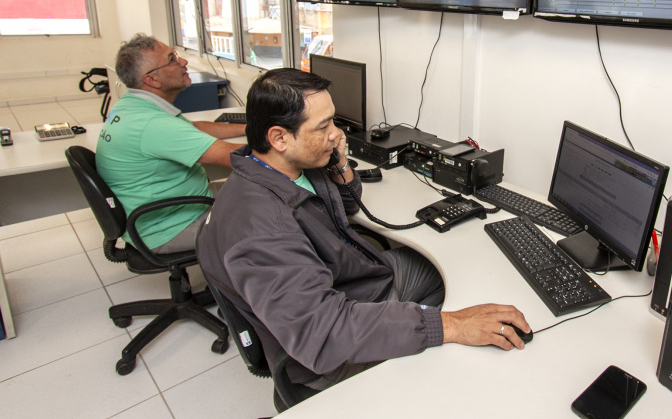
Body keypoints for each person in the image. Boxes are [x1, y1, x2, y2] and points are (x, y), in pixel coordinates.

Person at [197, 68, 530, 397]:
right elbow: (323, 332)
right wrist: (453, 325)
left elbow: (346, 201)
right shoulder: (260, 228)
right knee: (457, 338)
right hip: (332, 347)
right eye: (323, 126)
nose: (336, 134)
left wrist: (339, 162)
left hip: (355, 280)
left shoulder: (284, 165)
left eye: (333, 121)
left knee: (451, 266)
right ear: (279, 137)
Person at [95, 34, 246, 253]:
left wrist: (249, 129)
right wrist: (290, 145)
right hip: (170, 227)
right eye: (172, 59)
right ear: (152, 79)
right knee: (273, 211)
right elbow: (235, 157)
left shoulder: (131, 104)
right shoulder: (154, 125)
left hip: (168, 209)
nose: (183, 62)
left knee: (254, 190)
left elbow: (192, 129)